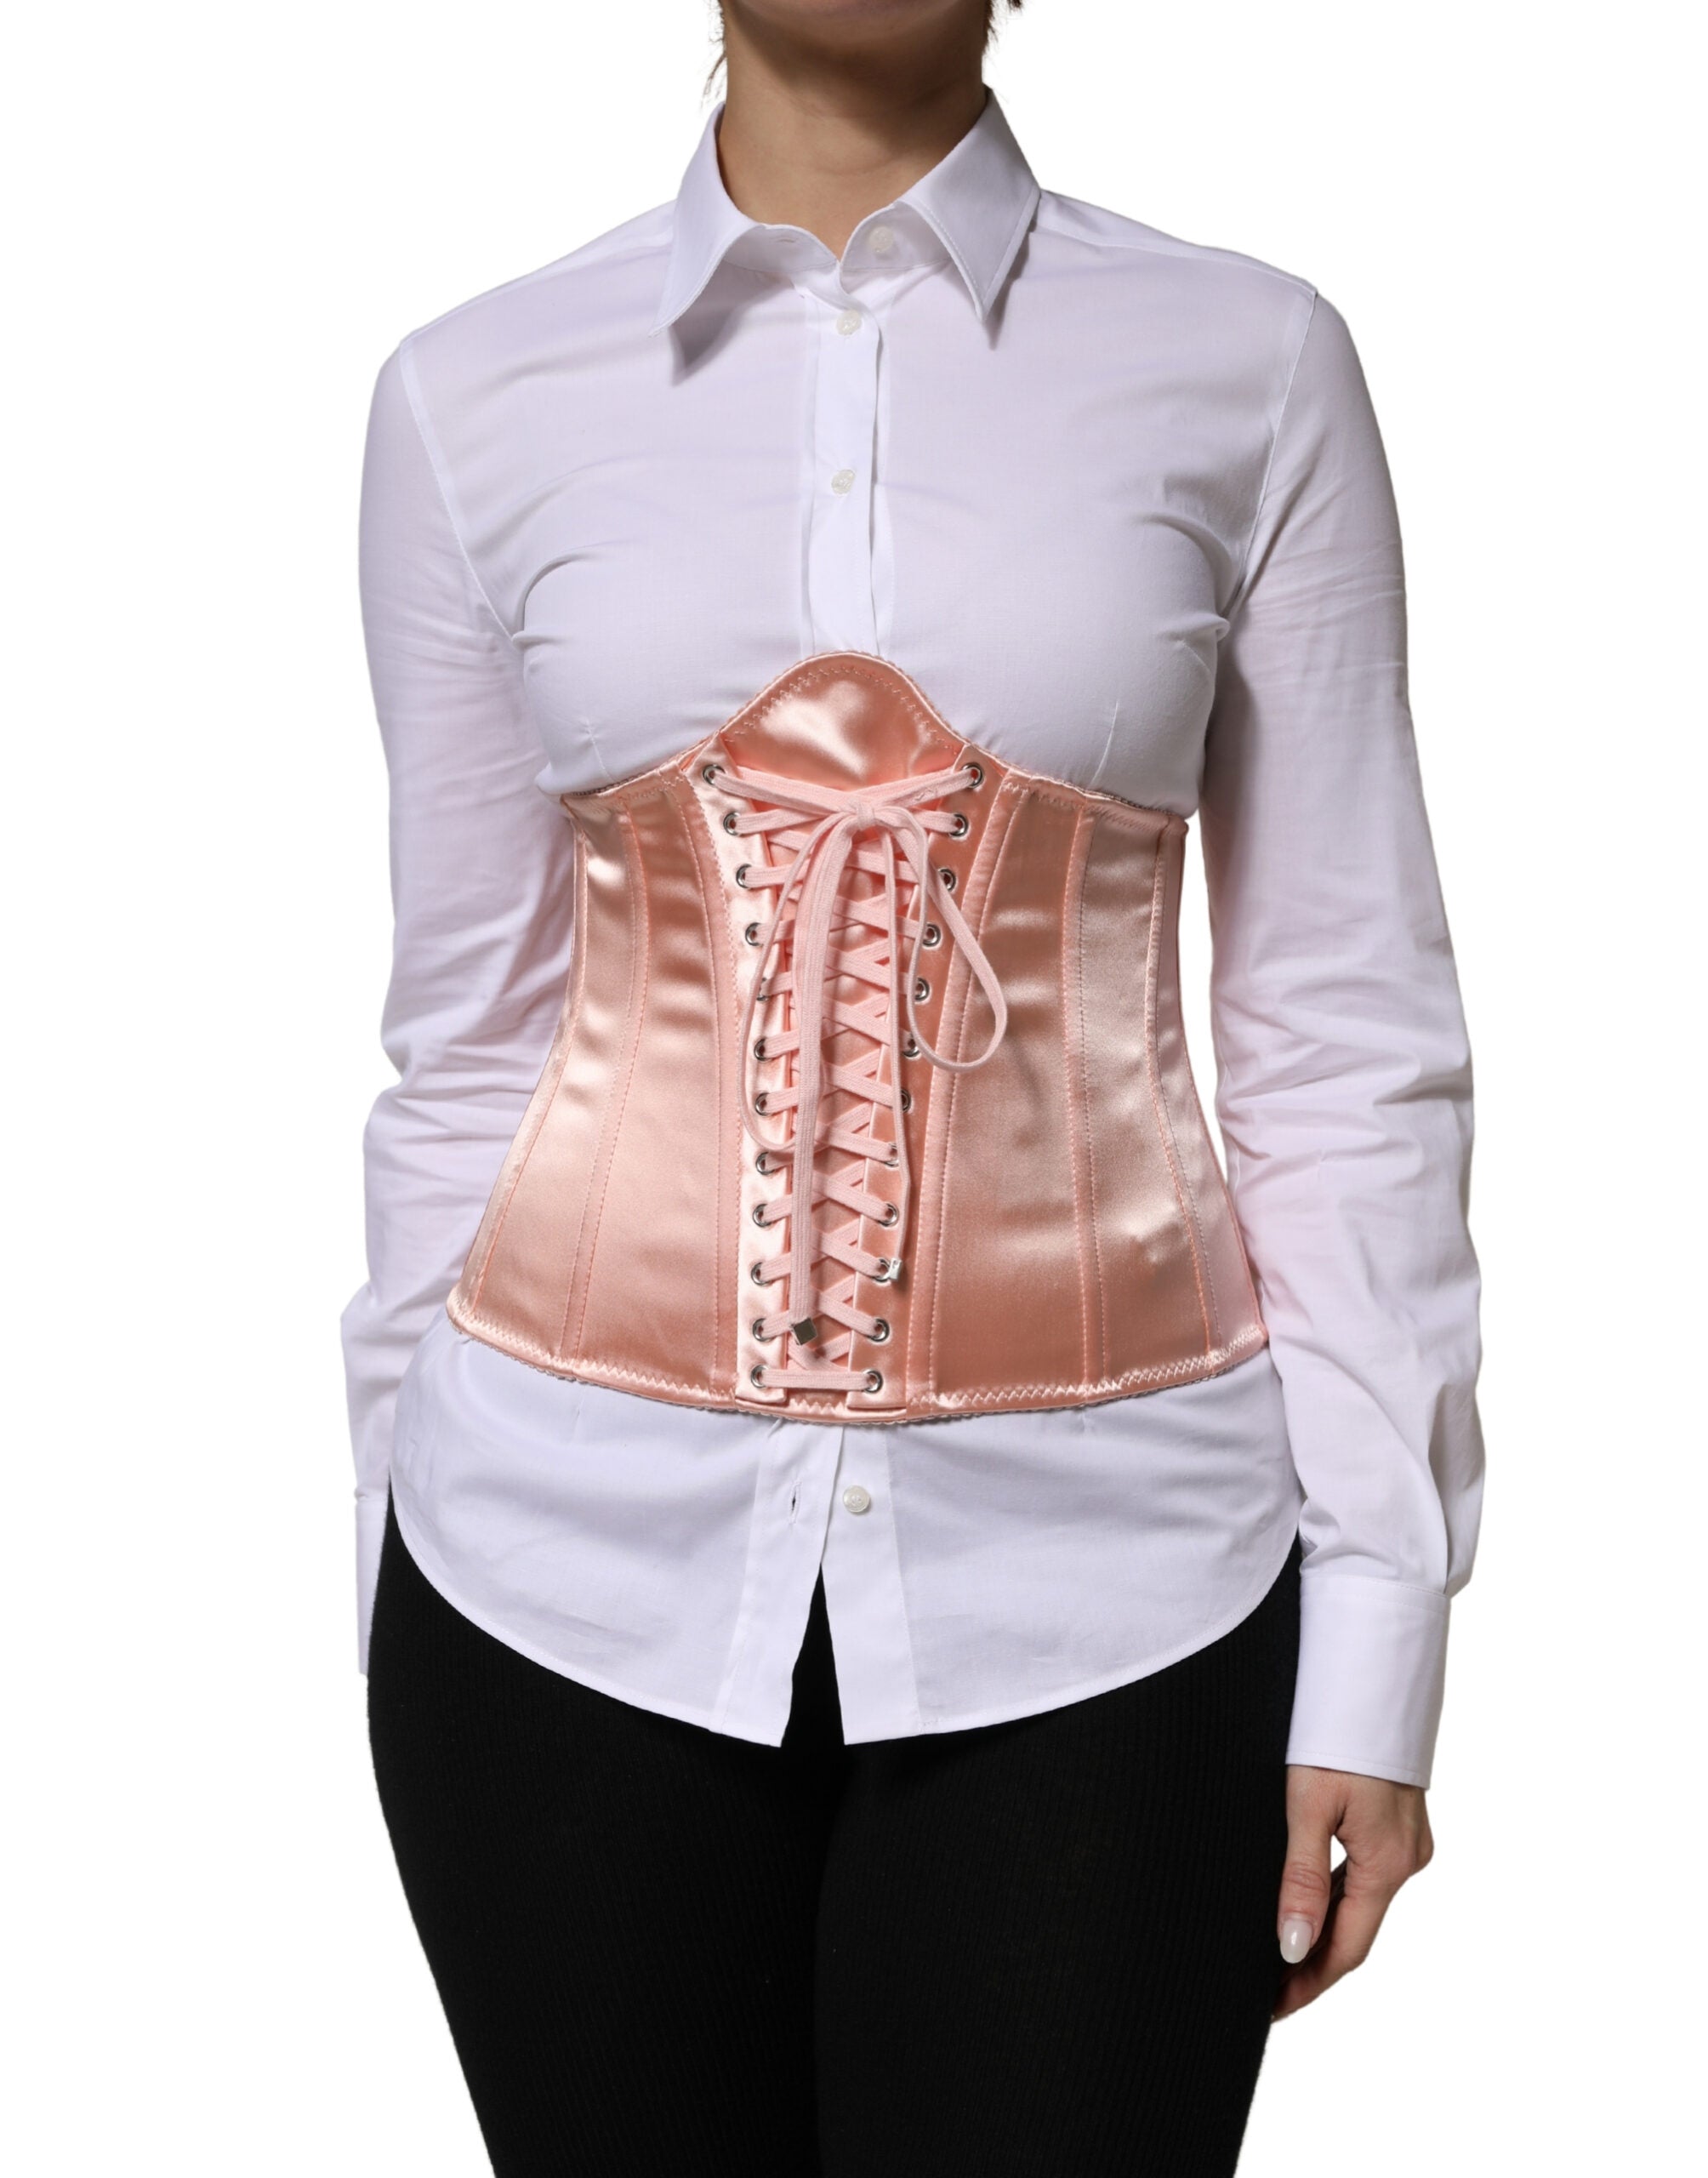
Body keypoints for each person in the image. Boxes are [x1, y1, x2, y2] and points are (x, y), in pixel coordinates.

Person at [343, 3, 1486, 2171]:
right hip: (545, 1584)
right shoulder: (469, 393)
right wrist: (388, 1530)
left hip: (1123, 1583)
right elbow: (466, 1035)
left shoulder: (1249, 362)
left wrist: (1377, 1625)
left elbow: (1340, 1020)